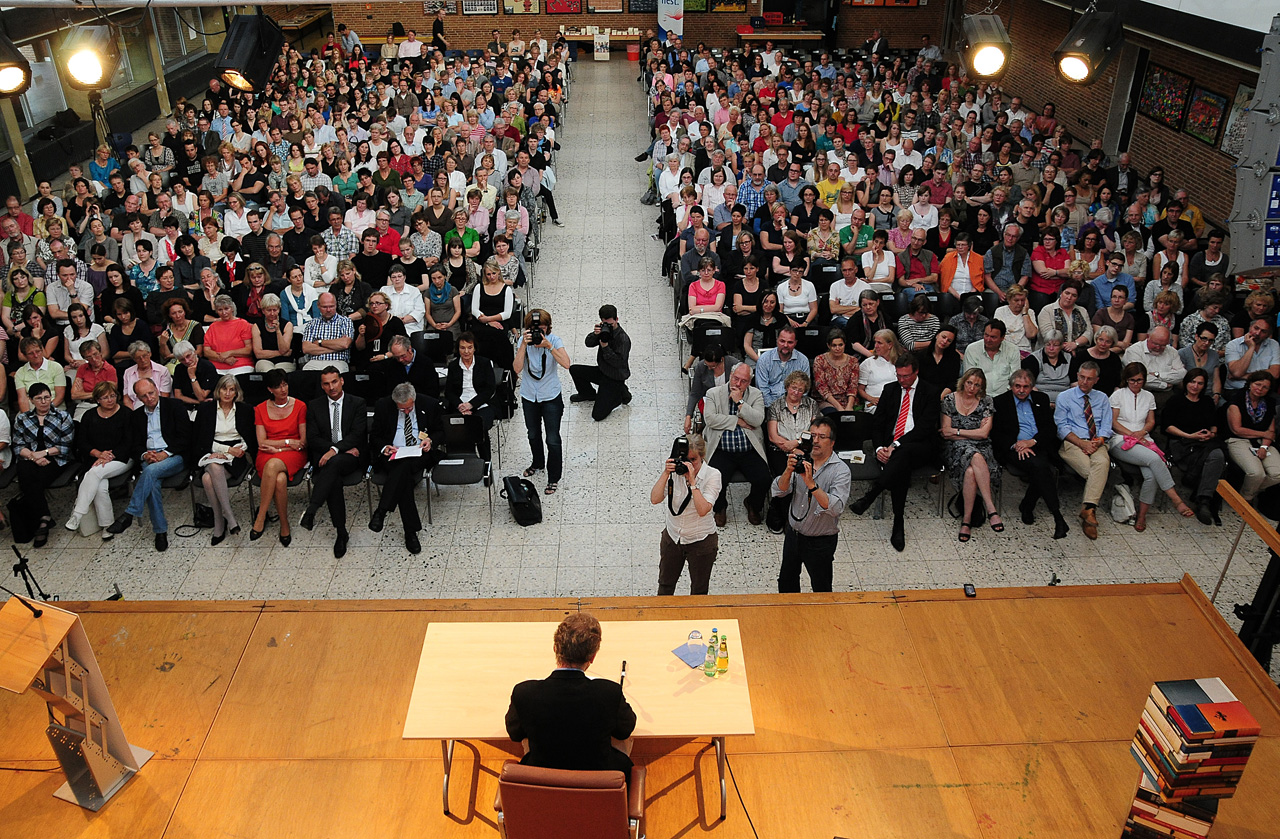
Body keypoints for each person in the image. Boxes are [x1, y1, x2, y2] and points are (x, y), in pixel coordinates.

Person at [504, 613, 636, 775]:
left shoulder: (524, 693)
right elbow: (624, 730)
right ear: (592, 657)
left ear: (555, 648)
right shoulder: (609, 692)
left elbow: (515, 734)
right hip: (599, 783)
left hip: (541, 781)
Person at [850, 353, 941, 552]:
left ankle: (872, 495)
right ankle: (898, 522)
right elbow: (878, 424)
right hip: (893, 448)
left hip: (921, 445)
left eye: (905, 376)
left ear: (916, 372)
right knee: (901, 465)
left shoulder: (930, 391)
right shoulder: (890, 389)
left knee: (903, 452)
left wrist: (896, 445)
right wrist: (879, 448)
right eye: (898, 375)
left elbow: (924, 428)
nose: (901, 380)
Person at [1108, 362, 1196, 531]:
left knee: (1152, 475)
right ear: (1126, 379)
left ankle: (1142, 515)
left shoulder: (1148, 396)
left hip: (1143, 438)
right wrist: (1133, 435)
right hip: (1120, 439)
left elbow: (1151, 422)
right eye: (1132, 380)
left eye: (1139, 380)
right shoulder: (1118, 395)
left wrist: (1141, 433)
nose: (1135, 384)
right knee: (1155, 459)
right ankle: (1176, 499)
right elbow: (1113, 422)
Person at [107, 379, 191, 551]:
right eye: (144, 396)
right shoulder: (136, 416)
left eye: (151, 393)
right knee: (151, 483)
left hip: (174, 455)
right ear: (138, 398)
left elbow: (186, 437)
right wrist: (145, 455)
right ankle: (160, 531)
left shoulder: (175, 406)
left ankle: (130, 513)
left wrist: (165, 453)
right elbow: (134, 444)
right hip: (150, 457)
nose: (149, 398)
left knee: (150, 473)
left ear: (157, 389)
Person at [773, 415, 851, 591]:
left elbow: (836, 508)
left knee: (821, 588)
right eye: (813, 435)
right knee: (786, 583)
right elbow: (778, 491)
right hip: (793, 535)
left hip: (820, 541)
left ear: (832, 442)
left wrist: (812, 485)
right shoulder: (801, 460)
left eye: (822, 437)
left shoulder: (841, 471)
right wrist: (788, 471)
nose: (815, 441)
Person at [369, 382, 444, 555]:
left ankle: (382, 511)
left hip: (419, 452)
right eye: (402, 409)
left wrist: (430, 440)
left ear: (414, 400)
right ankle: (410, 532)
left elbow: (441, 431)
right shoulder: (383, 405)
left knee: (401, 470)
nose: (407, 412)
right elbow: (375, 436)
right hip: (393, 453)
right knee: (404, 477)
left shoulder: (429, 404)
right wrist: (384, 447)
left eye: (409, 408)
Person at [993, 369, 1070, 539]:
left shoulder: (1041, 399)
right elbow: (997, 434)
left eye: (1026, 387)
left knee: (1041, 469)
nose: (1021, 390)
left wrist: (1032, 442)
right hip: (1014, 449)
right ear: (1011, 386)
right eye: (1017, 386)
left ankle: (1027, 506)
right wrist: (1017, 445)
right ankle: (1057, 516)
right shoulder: (1000, 402)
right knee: (1042, 468)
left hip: (1038, 445)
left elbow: (1050, 429)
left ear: (1032, 387)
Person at [302, 367, 368, 559]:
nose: (331, 387)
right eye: (326, 384)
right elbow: (313, 437)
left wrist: (334, 451)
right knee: (334, 478)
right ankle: (341, 532)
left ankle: (312, 509)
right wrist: (336, 449)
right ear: (322, 386)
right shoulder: (314, 406)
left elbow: (357, 434)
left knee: (334, 464)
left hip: (351, 457)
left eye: (334, 382)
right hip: (330, 456)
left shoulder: (357, 403)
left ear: (342, 381)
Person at [702, 362, 771, 529]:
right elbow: (710, 419)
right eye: (736, 379)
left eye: (743, 381)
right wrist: (737, 421)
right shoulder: (713, 393)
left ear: (749, 382)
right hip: (722, 449)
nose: (738, 384)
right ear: (730, 376)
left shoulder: (756, 395)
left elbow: (757, 420)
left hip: (749, 449)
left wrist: (740, 402)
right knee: (715, 477)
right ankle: (720, 507)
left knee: (764, 478)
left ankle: (753, 504)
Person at [651, 433, 721, 595]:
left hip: (701, 540)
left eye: (693, 460)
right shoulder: (675, 473)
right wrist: (666, 473)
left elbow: (703, 510)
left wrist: (693, 483)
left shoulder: (713, 475)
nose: (688, 464)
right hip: (673, 538)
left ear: (702, 456)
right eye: (685, 460)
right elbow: (655, 499)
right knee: (665, 585)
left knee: (699, 589)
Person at [194, 375, 256, 546]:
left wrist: (235, 451)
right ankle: (229, 517)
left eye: (232, 390)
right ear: (218, 390)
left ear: (236, 392)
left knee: (207, 479)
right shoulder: (206, 409)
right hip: (212, 451)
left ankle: (219, 522)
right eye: (224, 389)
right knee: (214, 466)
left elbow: (250, 437)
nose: (227, 393)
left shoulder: (245, 410)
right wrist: (223, 450)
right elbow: (201, 439)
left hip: (237, 455)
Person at [515, 308, 571, 495]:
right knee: (532, 434)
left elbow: (567, 363)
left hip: (550, 396)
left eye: (543, 328)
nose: (539, 331)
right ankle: (538, 463)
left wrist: (549, 346)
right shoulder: (523, 342)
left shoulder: (554, 340)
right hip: (529, 395)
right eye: (535, 328)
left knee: (552, 439)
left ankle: (554, 477)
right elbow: (516, 368)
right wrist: (523, 346)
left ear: (548, 327)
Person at [1054, 361, 1112, 540]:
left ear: (1096, 380)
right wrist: (1081, 443)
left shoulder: (1102, 398)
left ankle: (1088, 511)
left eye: (1089, 379)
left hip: (1097, 442)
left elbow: (1107, 425)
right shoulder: (1065, 397)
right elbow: (1061, 427)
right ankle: (1089, 512)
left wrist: (1099, 441)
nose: (1085, 382)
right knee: (1095, 472)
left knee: (1102, 462)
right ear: (1077, 376)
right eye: (1082, 377)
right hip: (1073, 442)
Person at [249, 368, 307, 545]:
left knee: (273, 465)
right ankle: (284, 524)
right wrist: (288, 442)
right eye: (278, 386)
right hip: (267, 453)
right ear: (270, 389)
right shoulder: (260, 409)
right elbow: (262, 442)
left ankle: (261, 516)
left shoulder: (300, 406)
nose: (283, 389)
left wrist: (280, 448)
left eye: (285, 385)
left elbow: (302, 441)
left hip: (293, 454)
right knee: (280, 479)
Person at [942, 368, 1003, 540]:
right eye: (969, 383)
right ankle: (991, 508)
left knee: (970, 471)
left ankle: (966, 521)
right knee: (974, 455)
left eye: (977, 385)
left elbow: (984, 434)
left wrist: (957, 431)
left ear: (981, 387)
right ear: (963, 382)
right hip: (955, 448)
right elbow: (945, 432)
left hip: (982, 447)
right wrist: (972, 432)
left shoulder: (987, 401)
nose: (972, 388)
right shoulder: (949, 399)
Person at [13, 382, 75, 548]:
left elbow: (65, 446)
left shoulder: (63, 416)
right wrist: (34, 457)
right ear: (31, 400)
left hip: (56, 458)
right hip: (31, 458)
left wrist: (43, 453)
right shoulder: (22, 418)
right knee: (23, 469)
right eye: (39, 398)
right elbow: (18, 446)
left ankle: (42, 519)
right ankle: (44, 518)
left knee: (32, 481)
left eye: (47, 397)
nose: (44, 401)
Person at [569, 304, 632, 421]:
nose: (608, 326)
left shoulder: (623, 339)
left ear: (616, 319)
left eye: (611, 324)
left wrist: (605, 347)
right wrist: (595, 334)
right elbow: (588, 343)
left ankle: (620, 394)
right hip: (603, 371)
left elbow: (618, 363)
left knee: (597, 415)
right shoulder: (603, 331)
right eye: (605, 323)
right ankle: (588, 394)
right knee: (574, 369)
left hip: (615, 377)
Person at [1224, 371, 1280, 501]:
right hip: (1238, 440)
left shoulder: (1269, 402)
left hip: (1263, 442)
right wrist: (1263, 433)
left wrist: (1264, 447)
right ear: (1250, 383)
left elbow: (1271, 431)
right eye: (1257, 384)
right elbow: (1237, 429)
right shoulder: (1237, 399)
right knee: (1256, 473)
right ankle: (1245, 499)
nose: (1260, 389)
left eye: (1265, 387)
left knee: (1277, 473)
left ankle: (1247, 494)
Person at [444, 332, 497, 461]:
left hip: (481, 404)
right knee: (455, 427)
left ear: (474, 348)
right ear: (458, 349)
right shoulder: (453, 366)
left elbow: (489, 390)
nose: (466, 351)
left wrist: (471, 405)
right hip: (459, 405)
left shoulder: (485, 363)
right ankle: (463, 461)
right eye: (462, 348)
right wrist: (460, 406)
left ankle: (486, 463)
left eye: (469, 347)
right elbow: (449, 392)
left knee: (478, 426)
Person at [300, 292, 355, 372]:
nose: (328, 310)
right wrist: (335, 348)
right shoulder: (312, 323)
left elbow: (345, 344)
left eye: (331, 306)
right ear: (318, 306)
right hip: (315, 361)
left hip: (338, 361)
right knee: (305, 374)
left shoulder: (345, 321)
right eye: (325, 307)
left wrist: (320, 342)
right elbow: (306, 348)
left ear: (336, 305)